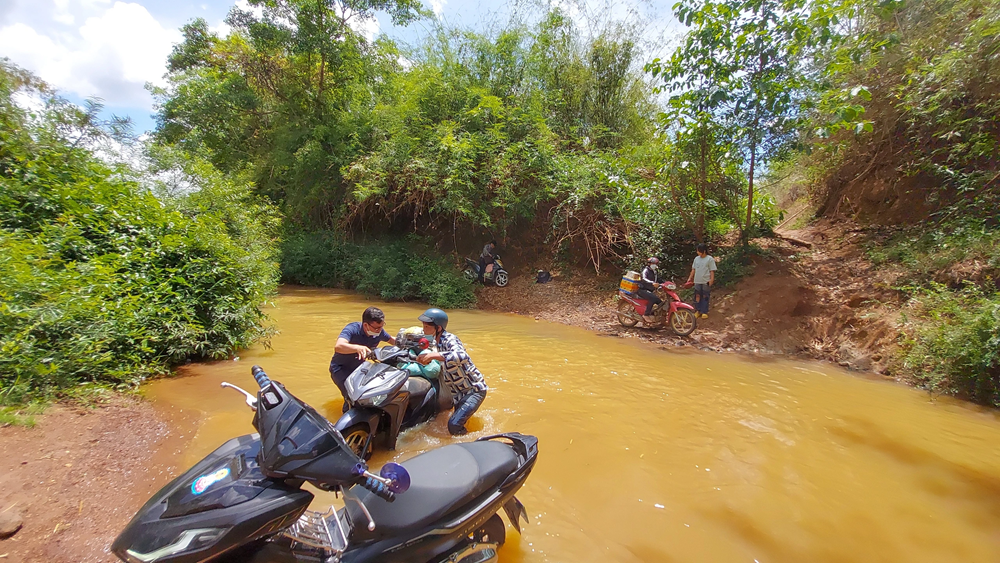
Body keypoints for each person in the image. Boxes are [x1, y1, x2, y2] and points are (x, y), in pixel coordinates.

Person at [414, 308, 488, 435]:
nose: (423, 329)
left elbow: (461, 355)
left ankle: (469, 445)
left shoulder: (450, 339)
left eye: (427, 326)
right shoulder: (435, 342)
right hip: (459, 393)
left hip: (474, 390)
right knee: (457, 421)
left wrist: (433, 356)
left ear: (438, 328)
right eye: (423, 326)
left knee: (453, 425)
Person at [329, 307, 397, 401]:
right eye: (377, 328)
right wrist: (357, 348)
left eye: (382, 326)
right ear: (365, 325)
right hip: (341, 369)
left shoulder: (378, 331)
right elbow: (339, 346)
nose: (380, 330)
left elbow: (391, 340)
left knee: (366, 396)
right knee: (351, 398)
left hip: (358, 369)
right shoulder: (352, 329)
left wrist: (408, 343)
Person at [685, 243, 717, 319]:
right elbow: (693, 269)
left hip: (706, 281)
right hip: (697, 281)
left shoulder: (710, 259)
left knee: (705, 296)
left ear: (704, 251)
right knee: (697, 296)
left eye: (699, 251)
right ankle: (698, 311)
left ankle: (704, 312)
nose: (697, 252)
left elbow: (712, 270)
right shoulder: (696, 259)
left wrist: (711, 279)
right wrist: (690, 278)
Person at [637, 257, 663, 322]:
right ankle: (646, 314)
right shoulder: (646, 270)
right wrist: (652, 283)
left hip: (650, 290)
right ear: (650, 264)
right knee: (653, 298)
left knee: (660, 302)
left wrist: (666, 283)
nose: (655, 265)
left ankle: (656, 316)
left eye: (656, 264)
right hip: (642, 290)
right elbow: (643, 278)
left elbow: (659, 280)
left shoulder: (654, 272)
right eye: (654, 263)